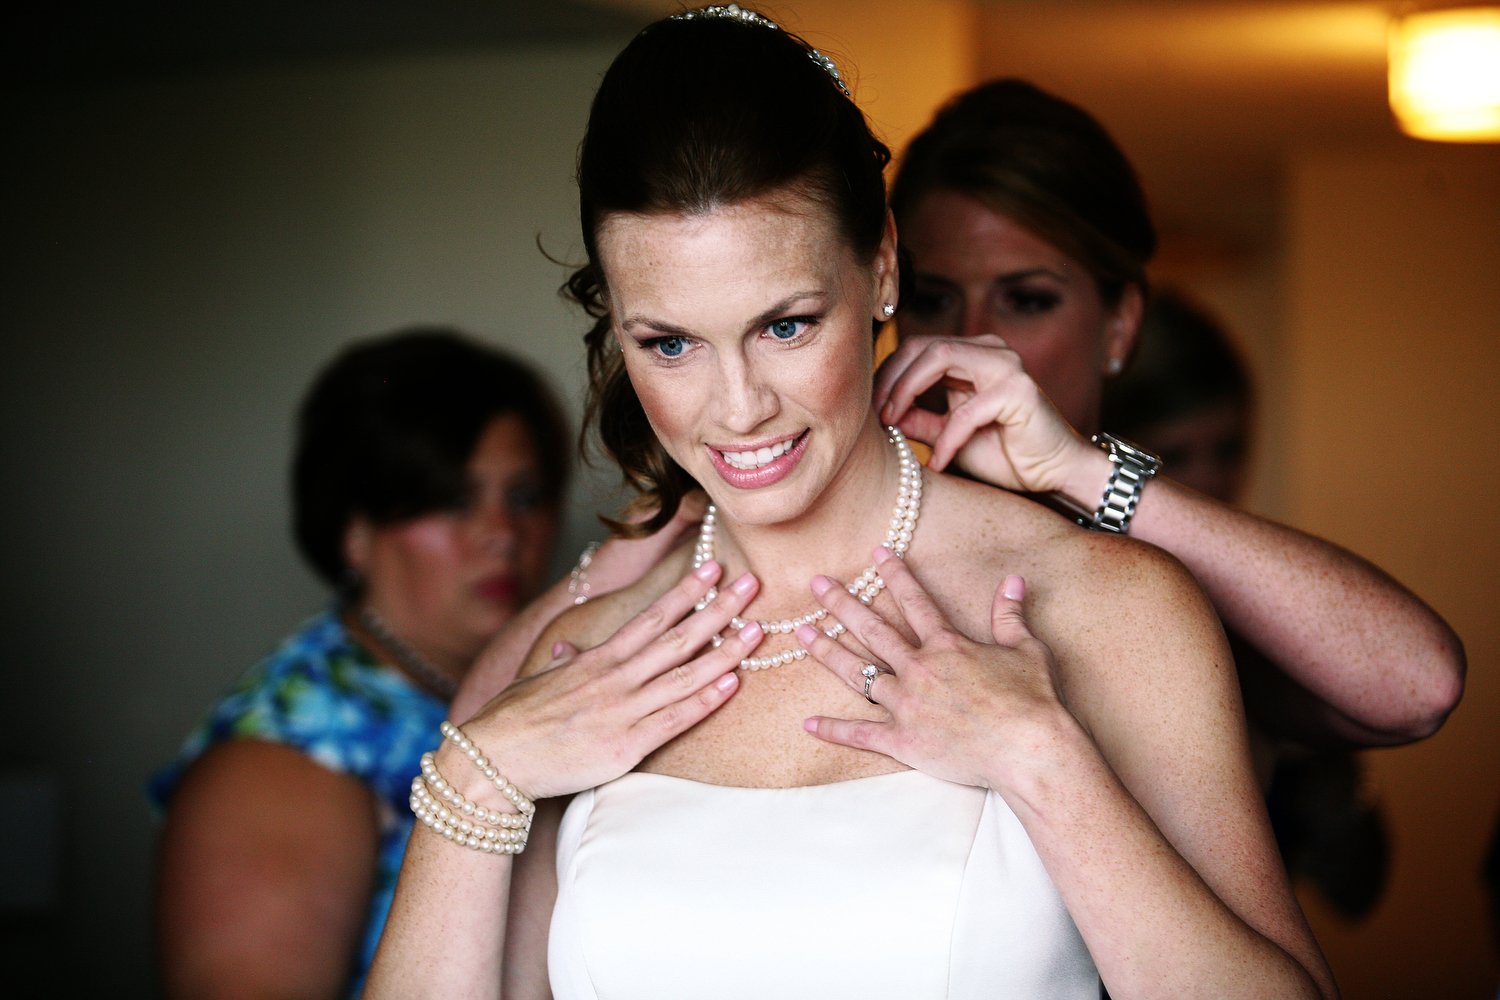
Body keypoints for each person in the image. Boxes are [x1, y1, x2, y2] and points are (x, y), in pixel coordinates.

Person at [368, 9, 1336, 999]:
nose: (738, 409)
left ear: (880, 265)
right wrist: (475, 773)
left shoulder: (1101, 608)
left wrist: (1044, 764)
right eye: (669, 344)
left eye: (785, 324)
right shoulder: (589, 658)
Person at [877, 77, 1463, 751]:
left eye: (1028, 300)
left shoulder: (1167, 581)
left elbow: (1419, 688)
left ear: (1120, 325)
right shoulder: (864, 552)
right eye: (932, 299)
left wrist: (1081, 470)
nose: (970, 340)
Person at [149, 328, 569, 999]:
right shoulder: (286, 758)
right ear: (355, 530)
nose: (502, 533)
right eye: (453, 500)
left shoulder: (530, 685)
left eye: (523, 498)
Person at [1104, 289, 1390, 920]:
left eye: (1228, 450)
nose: (1211, 482)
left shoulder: (1271, 604)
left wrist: (1318, 769)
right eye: (1173, 456)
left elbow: (1356, 891)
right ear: (1112, 451)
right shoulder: (1059, 589)